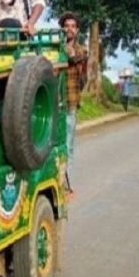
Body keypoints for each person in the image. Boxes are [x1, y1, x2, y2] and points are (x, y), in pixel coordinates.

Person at [60, 12, 87, 196]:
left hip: (70, 102)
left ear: (77, 30)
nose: (69, 28)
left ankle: (64, 181)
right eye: (66, 25)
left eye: (72, 26)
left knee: (68, 144)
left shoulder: (81, 50)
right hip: (54, 104)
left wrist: (64, 51)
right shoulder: (54, 47)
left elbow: (73, 57)